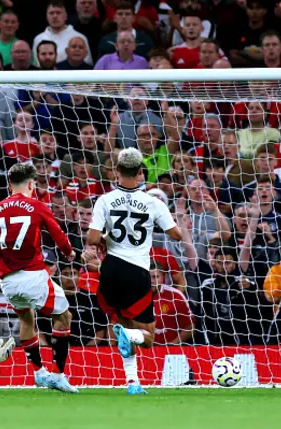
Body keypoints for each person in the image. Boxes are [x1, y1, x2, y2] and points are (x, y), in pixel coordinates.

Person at [0, 162, 79, 393]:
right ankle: (57, 374)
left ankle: (38, 372)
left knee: (27, 320)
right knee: (65, 316)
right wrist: (69, 252)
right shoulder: (37, 205)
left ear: (8, 186)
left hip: (7, 283)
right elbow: (57, 234)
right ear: (31, 185)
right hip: (33, 275)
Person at [87, 148, 183, 395]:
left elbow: (92, 237)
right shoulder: (153, 202)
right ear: (141, 172)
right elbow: (176, 235)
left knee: (124, 323)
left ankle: (132, 382)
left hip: (109, 270)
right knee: (147, 338)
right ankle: (127, 335)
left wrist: (107, 238)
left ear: (116, 171)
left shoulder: (104, 200)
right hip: (137, 271)